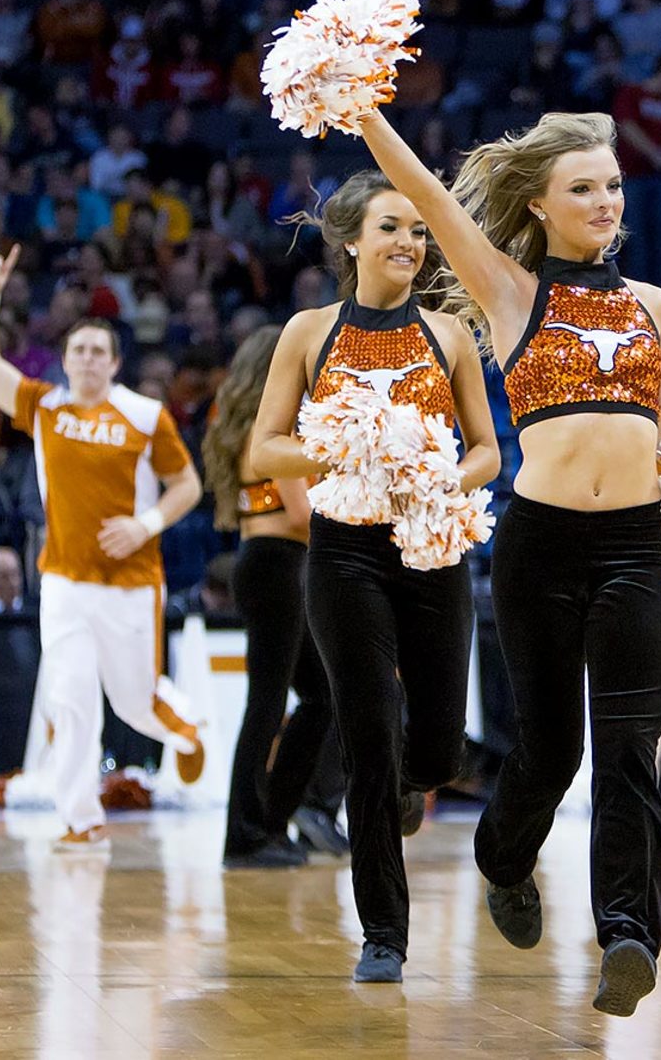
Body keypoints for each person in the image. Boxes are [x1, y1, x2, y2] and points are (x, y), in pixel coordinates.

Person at [355, 105, 661, 1017]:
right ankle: (503, 855)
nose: (606, 200)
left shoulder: (651, 303)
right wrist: (366, 108)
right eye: (583, 187)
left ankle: (628, 935)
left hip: (636, 547)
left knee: (631, 751)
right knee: (551, 746)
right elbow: (421, 190)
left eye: (613, 185)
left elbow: (654, 426)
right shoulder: (510, 292)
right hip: (541, 546)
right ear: (538, 204)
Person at [250, 170, 499, 983]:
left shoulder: (451, 333)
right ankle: (383, 934)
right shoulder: (309, 331)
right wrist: (351, 450)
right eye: (391, 227)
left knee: (431, 742)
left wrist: (437, 478)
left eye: (418, 231)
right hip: (346, 549)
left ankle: (412, 782)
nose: (408, 243)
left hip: (433, 544)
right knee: (366, 731)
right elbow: (266, 448)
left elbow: (487, 451)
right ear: (352, 239)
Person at [0, 244, 205, 852]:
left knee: (134, 703)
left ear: (115, 363)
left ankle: (189, 732)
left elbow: (189, 485)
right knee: (69, 697)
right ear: (65, 359)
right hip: (64, 580)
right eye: (79, 350)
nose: (89, 358)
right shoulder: (44, 405)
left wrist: (145, 523)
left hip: (131, 582)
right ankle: (81, 819)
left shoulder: (147, 416)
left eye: (99, 350)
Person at [202, 326, 346, 868]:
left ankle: (269, 821)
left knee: (316, 697)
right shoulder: (276, 427)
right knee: (268, 702)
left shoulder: (240, 426)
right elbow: (303, 515)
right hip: (278, 566)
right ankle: (244, 834)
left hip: (268, 565)